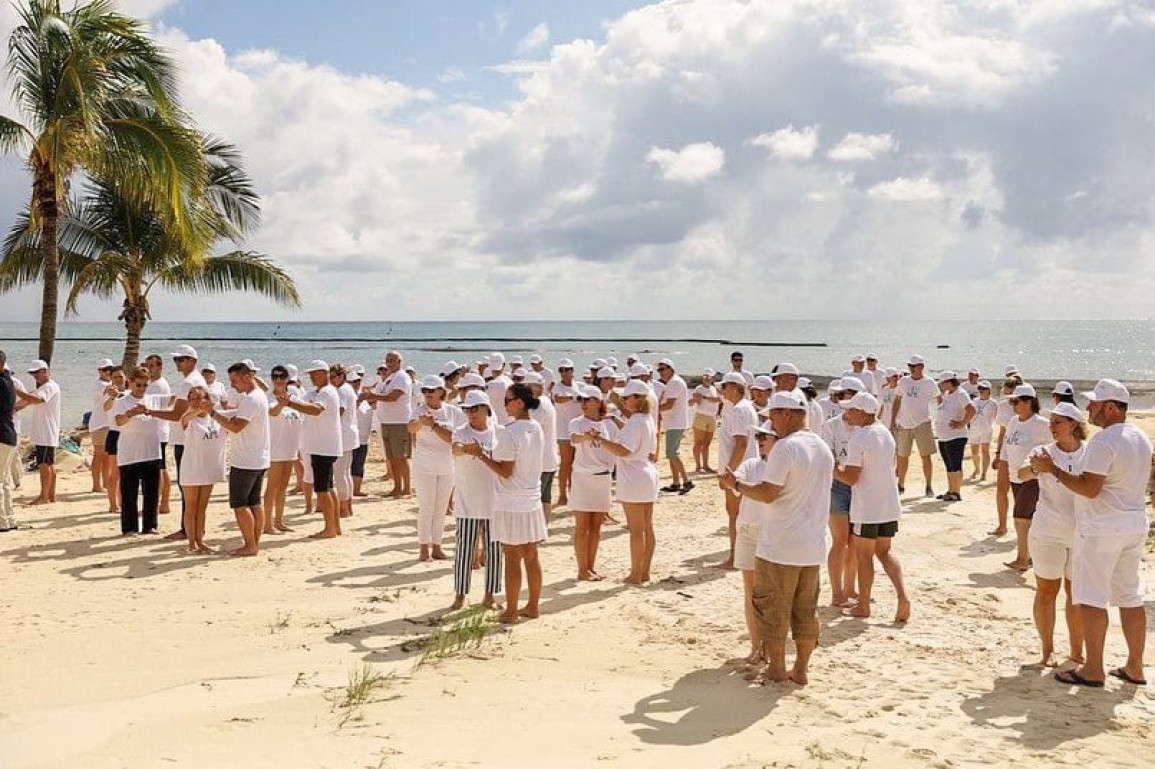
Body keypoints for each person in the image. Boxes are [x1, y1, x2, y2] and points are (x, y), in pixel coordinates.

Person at [1036, 379, 1150, 688]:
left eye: (1095, 403)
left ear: (1110, 407)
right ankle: (1135, 666)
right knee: (1130, 596)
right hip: (1133, 523)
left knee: (1091, 597)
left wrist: (1053, 469)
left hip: (1102, 528)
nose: (1088, 408)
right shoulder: (1140, 436)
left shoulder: (1103, 441)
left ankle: (1094, 669)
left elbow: (1089, 488)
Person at [720, 390, 833, 686]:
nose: (770, 424)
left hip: (781, 544)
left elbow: (768, 493)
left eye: (772, 416)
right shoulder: (822, 447)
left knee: (772, 610)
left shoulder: (785, 447)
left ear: (786, 414)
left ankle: (778, 670)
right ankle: (801, 669)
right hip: (812, 545)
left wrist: (736, 485)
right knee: (805, 611)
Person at [1018, 402, 1086, 667]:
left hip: (1082, 534)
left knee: (1077, 594)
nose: (1052, 427)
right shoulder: (1042, 451)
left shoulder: (1090, 453)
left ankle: (1077, 651)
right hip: (1048, 531)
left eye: (1058, 422)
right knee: (1047, 590)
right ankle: (1047, 650)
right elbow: (1021, 473)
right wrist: (1036, 468)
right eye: (1051, 422)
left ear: (1073, 424)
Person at [471, 383, 545, 624]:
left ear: (520, 402)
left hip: (512, 500)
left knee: (512, 557)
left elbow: (505, 471)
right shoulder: (536, 427)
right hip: (531, 497)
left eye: (508, 400)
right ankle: (532, 606)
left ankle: (512, 610)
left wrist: (481, 455)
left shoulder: (507, 432)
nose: (504, 405)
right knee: (531, 555)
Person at [834, 392, 911, 622]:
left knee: (864, 556)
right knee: (885, 551)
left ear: (861, 412)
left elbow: (851, 478)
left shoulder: (859, 438)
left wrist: (833, 468)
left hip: (867, 506)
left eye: (851, 410)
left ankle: (863, 605)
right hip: (889, 503)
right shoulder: (885, 433)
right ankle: (902, 596)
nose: (847, 414)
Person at [208, 361, 271, 556]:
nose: (232, 385)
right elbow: (237, 418)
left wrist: (212, 413)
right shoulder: (258, 395)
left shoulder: (251, 399)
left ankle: (250, 545)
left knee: (240, 504)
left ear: (246, 377)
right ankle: (254, 543)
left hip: (246, 460)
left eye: (234, 380)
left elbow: (236, 427)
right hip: (258, 457)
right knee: (254, 503)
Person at [599, 380, 659, 585]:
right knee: (647, 527)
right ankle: (644, 571)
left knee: (636, 530)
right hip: (647, 475)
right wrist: (616, 418)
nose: (623, 401)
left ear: (638, 399)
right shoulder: (646, 419)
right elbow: (633, 434)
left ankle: (635, 574)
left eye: (626, 397)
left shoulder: (636, 421)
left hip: (634, 478)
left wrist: (600, 440)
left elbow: (624, 450)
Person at [450, 390, 503, 610]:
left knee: (494, 551)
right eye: (467, 409)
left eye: (474, 409)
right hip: (467, 501)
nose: (470, 413)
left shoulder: (498, 432)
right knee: (464, 550)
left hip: (494, 501)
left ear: (485, 409)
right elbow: (456, 449)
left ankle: (490, 595)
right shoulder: (460, 431)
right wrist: (466, 449)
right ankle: (460, 595)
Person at [147, 345, 205, 539]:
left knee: (186, 486)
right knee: (195, 485)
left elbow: (176, 414)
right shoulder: (198, 380)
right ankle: (196, 527)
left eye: (181, 359)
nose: (177, 363)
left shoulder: (188, 383)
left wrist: (150, 412)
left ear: (192, 361)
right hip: (194, 436)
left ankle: (187, 529)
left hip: (185, 438)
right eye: (176, 359)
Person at [280, 360, 343, 538]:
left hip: (324, 446)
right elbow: (302, 401)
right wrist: (287, 397)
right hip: (322, 446)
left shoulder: (327, 392)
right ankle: (335, 527)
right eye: (311, 374)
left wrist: (289, 403)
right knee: (328, 487)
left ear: (324, 373)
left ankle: (330, 528)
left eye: (315, 373)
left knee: (322, 489)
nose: (312, 377)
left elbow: (315, 410)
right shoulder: (317, 392)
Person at [731, 424, 776, 665]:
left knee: (768, 592)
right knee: (750, 591)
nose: (759, 440)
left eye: (764, 436)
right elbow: (734, 483)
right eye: (758, 436)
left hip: (771, 533)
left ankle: (769, 646)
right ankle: (756, 645)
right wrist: (729, 480)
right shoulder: (752, 464)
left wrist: (735, 483)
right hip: (748, 530)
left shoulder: (782, 467)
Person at [410, 374, 465, 561]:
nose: (427, 393)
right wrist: (421, 422)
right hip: (424, 465)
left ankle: (437, 547)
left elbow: (454, 438)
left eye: (431, 390)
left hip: (447, 465)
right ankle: (423, 548)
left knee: (441, 508)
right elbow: (410, 428)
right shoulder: (419, 410)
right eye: (424, 390)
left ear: (441, 391)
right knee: (427, 507)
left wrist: (433, 425)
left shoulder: (453, 412)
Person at [567, 386, 618, 581]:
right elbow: (573, 438)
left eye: (588, 399)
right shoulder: (577, 422)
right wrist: (586, 436)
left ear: (598, 402)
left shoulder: (608, 425)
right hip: (583, 478)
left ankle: (591, 567)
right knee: (582, 525)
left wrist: (614, 417)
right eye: (582, 400)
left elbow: (622, 438)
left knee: (596, 526)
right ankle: (582, 569)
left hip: (603, 478)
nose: (584, 403)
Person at [1000, 384, 1051, 571]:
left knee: (1020, 518)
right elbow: (1007, 445)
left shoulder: (1042, 424)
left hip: (1033, 477)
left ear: (1029, 402)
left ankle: (1022, 558)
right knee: (1028, 518)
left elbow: (1055, 446)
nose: (1013, 405)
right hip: (1015, 476)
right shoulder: (1013, 421)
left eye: (1016, 401)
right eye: (1012, 402)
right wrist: (1002, 462)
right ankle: (1030, 555)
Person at [112, 367, 163, 535]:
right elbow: (118, 421)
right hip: (130, 453)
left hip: (152, 451)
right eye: (138, 385)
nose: (141, 388)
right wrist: (130, 414)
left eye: (145, 385)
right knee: (129, 493)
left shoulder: (153, 399)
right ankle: (130, 527)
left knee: (151, 493)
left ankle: (150, 525)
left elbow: (177, 401)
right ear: (131, 383)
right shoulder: (122, 401)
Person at [176, 386, 226, 554]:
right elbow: (184, 420)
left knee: (202, 508)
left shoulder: (214, 419)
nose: (196, 401)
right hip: (192, 467)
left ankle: (200, 540)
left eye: (199, 398)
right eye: (192, 399)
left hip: (208, 468)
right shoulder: (190, 419)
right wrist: (198, 409)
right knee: (191, 507)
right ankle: (191, 543)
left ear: (208, 399)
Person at [820, 383, 857, 607]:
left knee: (855, 541)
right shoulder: (832, 426)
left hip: (859, 486)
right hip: (837, 485)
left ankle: (850, 588)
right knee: (840, 540)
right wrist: (844, 474)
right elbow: (829, 458)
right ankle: (837, 593)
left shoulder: (866, 427)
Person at [716, 372, 757, 569]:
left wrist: (728, 473)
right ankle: (739, 556)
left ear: (734, 388)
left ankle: (735, 558)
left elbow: (741, 444)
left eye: (724, 387)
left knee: (735, 515)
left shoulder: (739, 410)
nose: (721, 391)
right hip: (745, 469)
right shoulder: (746, 408)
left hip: (738, 471)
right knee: (742, 515)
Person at [362, 350, 412, 498]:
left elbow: (393, 397)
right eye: (387, 360)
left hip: (399, 422)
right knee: (392, 458)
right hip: (386, 422)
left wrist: (374, 396)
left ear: (399, 362)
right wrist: (368, 395)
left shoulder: (402, 377)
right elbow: (378, 396)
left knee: (401, 457)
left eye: (392, 360)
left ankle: (406, 488)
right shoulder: (389, 378)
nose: (389, 363)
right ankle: (397, 487)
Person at [890, 355, 937, 497]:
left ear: (921, 367)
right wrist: (893, 419)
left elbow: (938, 399)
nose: (911, 369)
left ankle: (929, 485)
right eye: (909, 366)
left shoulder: (929, 382)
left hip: (923, 423)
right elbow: (897, 400)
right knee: (902, 456)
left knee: (926, 456)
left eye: (913, 366)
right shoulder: (903, 381)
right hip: (905, 424)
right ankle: (901, 484)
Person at [16, 360, 61, 505]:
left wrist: (16, 391)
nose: (34, 376)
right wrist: (13, 408)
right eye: (32, 373)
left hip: (46, 432)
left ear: (45, 371)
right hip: (45, 432)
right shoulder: (43, 388)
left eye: (36, 372)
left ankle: (44, 496)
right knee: (49, 463)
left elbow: (36, 399)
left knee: (44, 464)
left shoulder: (50, 386)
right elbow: (27, 401)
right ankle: (51, 495)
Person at [264, 365, 302, 533]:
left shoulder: (294, 396)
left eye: (281, 377)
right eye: (275, 377)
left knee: (283, 487)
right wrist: (281, 404)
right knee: (272, 487)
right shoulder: (268, 397)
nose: (278, 380)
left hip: (290, 449)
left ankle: (279, 521)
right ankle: (267, 524)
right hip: (275, 449)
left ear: (287, 379)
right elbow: (272, 412)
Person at [934, 371, 975, 502]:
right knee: (949, 465)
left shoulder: (961, 394)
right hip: (944, 436)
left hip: (956, 436)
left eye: (942, 383)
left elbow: (971, 410)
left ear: (948, 382)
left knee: (956, 464)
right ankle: (950, 489)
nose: (941, 386)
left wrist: (962, 423)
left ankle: (956, 492)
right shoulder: (947, 395)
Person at [990, 376, 1023, 536]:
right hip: (1007, 449)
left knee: (1020, 492)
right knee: (1002, 488)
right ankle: (1002, 525)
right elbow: (1002, 431)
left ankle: (1022, 525)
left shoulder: (1027, 403)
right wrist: (998, 453)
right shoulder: (1003, 406)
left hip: (1022, 451)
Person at [143, 354, 173, 515]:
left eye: (151, 366)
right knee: (161, 468)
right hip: (158, 431)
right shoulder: (153, 384)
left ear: (160, 367)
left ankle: (157, 504)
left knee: (158, 470)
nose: (148, 369)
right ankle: (164, 503)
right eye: (146, 365)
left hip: (157, 432)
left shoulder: (158, 386)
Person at [526, 372, 559, 521]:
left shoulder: (538, 405)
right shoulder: (546, 400)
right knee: (546, 498)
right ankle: (544, 528)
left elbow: (531, 432)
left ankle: (538, 529)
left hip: (540, 461)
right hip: (550, 459)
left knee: (536, 499)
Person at [656, 359, 692, 494]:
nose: (660, 372)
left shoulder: (674, 383)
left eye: (662, 369)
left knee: (672, 453)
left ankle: (687, 481)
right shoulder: (673, 382)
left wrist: (653, 409)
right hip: (673, 422)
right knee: (671, 454)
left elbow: (669, 404)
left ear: (671, 369)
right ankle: (676, 482)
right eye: (659, 370)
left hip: (675, 423)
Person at [330, 364, 359, 519]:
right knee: (345, 473)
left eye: (333, 377)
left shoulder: (341, 391)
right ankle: (348, 506)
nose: (331, 380)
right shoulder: (348, 389)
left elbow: (339, 411)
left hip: (343, 434)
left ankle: (343, 507)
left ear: (342, 376)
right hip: (349, 433)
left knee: (340, 474)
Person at [551, 359, 581, 507]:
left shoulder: (577, 386)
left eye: (567, 369)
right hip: (564, 431)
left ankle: (573, 492)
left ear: (572, 370)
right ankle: (562, 495)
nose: (564, 372)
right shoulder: (558, 387)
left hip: (577, 430)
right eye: (561, 370)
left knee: (575, 464)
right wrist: (573, 397)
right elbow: (558, 399)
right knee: (565, 463)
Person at [100, 368, 126, 514]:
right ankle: (113, 504)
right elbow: (106, 407)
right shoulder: (108, 394)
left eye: (120, 377)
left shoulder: (129, 393)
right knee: (114, 472)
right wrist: (113, 397)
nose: (118, 379)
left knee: (126, 473)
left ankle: (123, 502)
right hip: (115, 433)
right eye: (115, 377)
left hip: (128, 434)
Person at [88, 359, 116, 494]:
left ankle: (105, 483)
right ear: (99, 371)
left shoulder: (109, 383)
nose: (108, 372)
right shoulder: (99, 384)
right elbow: (112, 390)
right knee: (99, 455)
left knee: (106, 456)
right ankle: (96, 485)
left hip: (108, 423)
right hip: (99, 424)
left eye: (110, 369)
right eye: (105, 370)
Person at [348, 366, 374, 498]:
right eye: (354, 381)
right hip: (352, 437)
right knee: (350, 464)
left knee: (359, 463)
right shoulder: (347, 395)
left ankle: (356, 489)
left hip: (364, 437)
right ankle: (349, 490)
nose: (357, 383)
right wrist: (360, 399)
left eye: (359, 379)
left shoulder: (363, 394)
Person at [690, 369, 720, 474]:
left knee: (707, 443)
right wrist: (696, 399)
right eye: (705, 376)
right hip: (701, 416)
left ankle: (706, 465)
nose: (707, 378)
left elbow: (718, 400)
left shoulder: (714, 388)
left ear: (712, 378)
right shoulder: (699, 388)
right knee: (698, 442)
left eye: (709, 376)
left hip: (712, 417)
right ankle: (698, 466)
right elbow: (695, 401)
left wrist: (704, 397)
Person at [0, 351, 17, 532]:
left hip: (2, 435)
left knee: (1, 481)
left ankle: (2, 521)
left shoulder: (2, 383)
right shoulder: (8, 381)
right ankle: (9, 518)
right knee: (4, 480)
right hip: (8, 435)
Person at [968, 381, 996, 481]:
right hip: (974, 429)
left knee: (985, 451)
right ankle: (977, 469)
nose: (981, 391)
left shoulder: (993, 403)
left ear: (989, 390)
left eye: (984, 389)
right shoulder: (974, 401)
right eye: (980, 389)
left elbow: (997, 417)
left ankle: (984, 473)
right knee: (974, 452)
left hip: (986, 429)